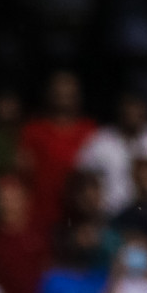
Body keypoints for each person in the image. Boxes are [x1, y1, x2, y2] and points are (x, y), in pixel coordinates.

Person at [75, 92, 147, 216]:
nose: (132, 113)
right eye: (129, 108)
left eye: (137, 108)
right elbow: (82, 179)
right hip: (112, 215)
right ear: (120, 110)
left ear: (146, 109)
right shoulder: (101, 140)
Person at [17, 71, 96, 237]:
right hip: (41, 213)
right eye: (59, 94)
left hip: (78, 216)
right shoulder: (34, 131)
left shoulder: (90, 130)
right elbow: (22, 173)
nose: (64, 98)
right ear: (49, 95)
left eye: (69, 94)